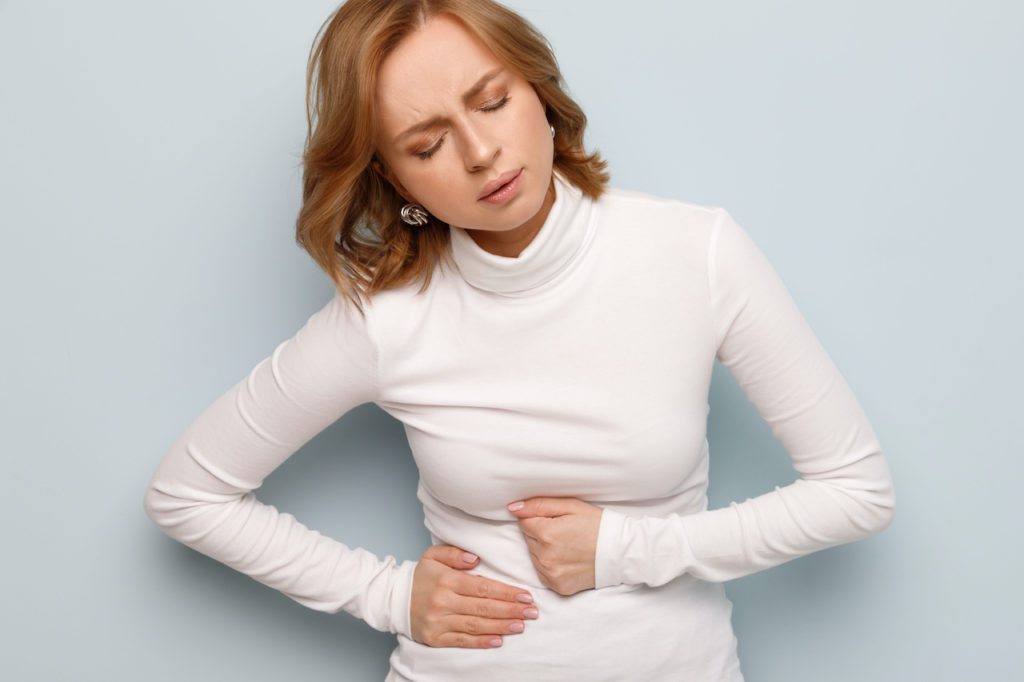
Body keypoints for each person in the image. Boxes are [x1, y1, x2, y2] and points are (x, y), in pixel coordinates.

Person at [143, 0, 896, 679]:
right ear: (395, 180)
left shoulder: (695, 252)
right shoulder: (388, 317)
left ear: (539, 91)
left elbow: (855, 492)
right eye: (427, 144)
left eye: (493, 101)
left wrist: (628, 551)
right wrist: (389, 595)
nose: (480, 153)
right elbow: (186, 494)